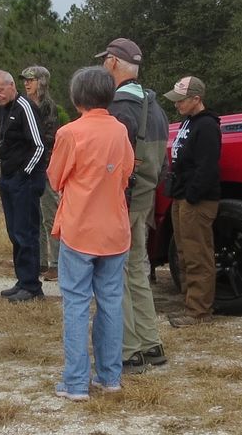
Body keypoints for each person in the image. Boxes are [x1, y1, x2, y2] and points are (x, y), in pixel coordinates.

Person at [48, 67, 135, 400]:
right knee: (111, 302)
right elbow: (126, 174)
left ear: (76, 97)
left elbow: (55, 178)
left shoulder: (70, 133)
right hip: (114, 229)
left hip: (80, 229)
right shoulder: (120, 130)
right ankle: (110, 377)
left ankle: (75, 382)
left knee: (76, 304)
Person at [96, 37, 170, 372]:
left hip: (123, 201)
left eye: (104, 60)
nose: (102, 66)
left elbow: (113, 163)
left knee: (117, 274)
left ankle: (128, 350)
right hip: (145, 199)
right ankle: (151, 342)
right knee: (138, 269)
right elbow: (162, 162)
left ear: (113, 62)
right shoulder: (154, 106)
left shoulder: (118, 107)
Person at [163, 75, 221, 327]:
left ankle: (199, 311)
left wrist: (192, 195)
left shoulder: (207, 126)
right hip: (182, 197)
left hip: (196, 200)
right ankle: (190, 303)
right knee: (184, 252)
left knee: (197, 254)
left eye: (181, 100)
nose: (177, 104)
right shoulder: (189, 122)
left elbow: (207, 167)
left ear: (196, 99)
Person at [0, 69, 47, 303]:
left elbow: (39, 145)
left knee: (26, 232)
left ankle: (32, 287)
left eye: (0, 90)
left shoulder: (25, 107)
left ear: (12, 85)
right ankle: (23, 280)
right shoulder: (2, 109)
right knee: (14, 232)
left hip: (25, 181)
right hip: (8, 177)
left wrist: (24, 174)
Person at [21, 65, 61, 281]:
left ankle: (56, 263)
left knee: (50, 216)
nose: (27, 83)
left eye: (31, 79)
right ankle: (40, 262)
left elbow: (48, 139)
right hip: (29, 167)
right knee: (33, 216)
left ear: (41, 82)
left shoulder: (48, 107)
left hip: (45, 167)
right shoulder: (24, 104)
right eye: (25, 80)